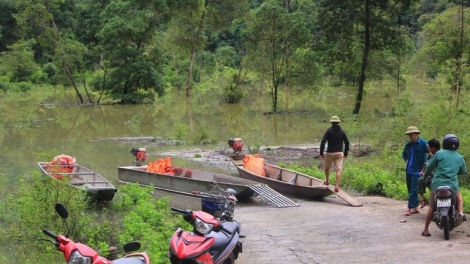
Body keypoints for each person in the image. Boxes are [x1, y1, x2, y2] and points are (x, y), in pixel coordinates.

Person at [421, 134, 466, 237]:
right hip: (452, 186)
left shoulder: (439, 154)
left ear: (445, 143)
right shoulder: (460, 157)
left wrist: (425, 176)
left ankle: (426, 230)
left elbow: (428, 166)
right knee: (458, 195)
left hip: (437, 185)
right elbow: (463, 171)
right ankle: (461, 213)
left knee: (432, 207)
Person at [402, 126, 428, 216]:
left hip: (418, 171)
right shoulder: (408, 144)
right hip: (409, 170)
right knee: (410, 189)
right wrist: (406, 160)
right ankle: (416, 206)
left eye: (411, 134)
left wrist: (426, 166)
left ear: (416, 134)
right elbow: (404, 154)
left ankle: (409, 208)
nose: (410, 136)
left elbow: (431, 154)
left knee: (414, 189)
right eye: (409, 134)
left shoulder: (424, 143)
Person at [319, 115, 350, 193]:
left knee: (327, 168)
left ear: (331, 123)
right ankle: (337, 186)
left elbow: (323, 142)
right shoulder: (342, 131)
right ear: (338, 122)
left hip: (329, 153)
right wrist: (345, 152)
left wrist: (321, 153)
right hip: (339, 153)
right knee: (338, 170)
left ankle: (327, 181)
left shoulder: (328, 131)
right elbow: (347, 142)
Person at [417, 138, 440, 209]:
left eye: (428, 147)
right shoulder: (430, 155)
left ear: (433, 148)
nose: (428, 148)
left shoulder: (440, 154)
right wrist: (422, 171)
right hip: (430, 174)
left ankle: (433, 203)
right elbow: (426, 164)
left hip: (438, 175)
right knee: (420, 180)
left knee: (432, 183)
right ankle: (422, 199)